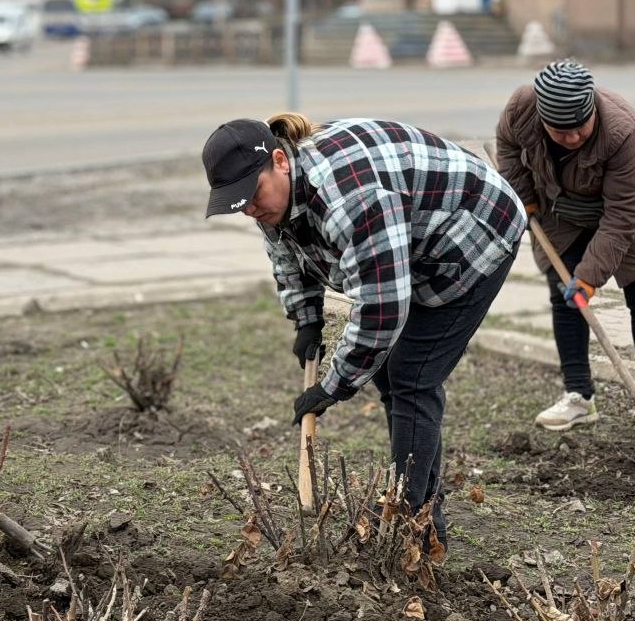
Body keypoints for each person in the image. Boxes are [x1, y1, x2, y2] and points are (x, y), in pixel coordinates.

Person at [203, 114, 526, 551]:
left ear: (280, 160)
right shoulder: (274, 196)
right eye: (239, 204)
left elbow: (382, 307)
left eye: (252, 195)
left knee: (413, 375)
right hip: (416, 241)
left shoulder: (347, 200)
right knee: (390, 375)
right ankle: (425, 514)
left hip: (476, 230)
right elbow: (285, 251)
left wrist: (333, 387)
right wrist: (306, 318)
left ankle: (410, 515)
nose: (252, 209)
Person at [495, 60, 635, 442]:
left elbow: (623, 216)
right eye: (559, 132)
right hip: (566, 207)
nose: (571, 139)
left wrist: (589, 278)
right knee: (561, 292)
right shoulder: (521, 108)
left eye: (579, 129)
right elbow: (508, 150)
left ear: (590, 110)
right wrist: (526, 200)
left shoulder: (622, 131)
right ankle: (579, 396)